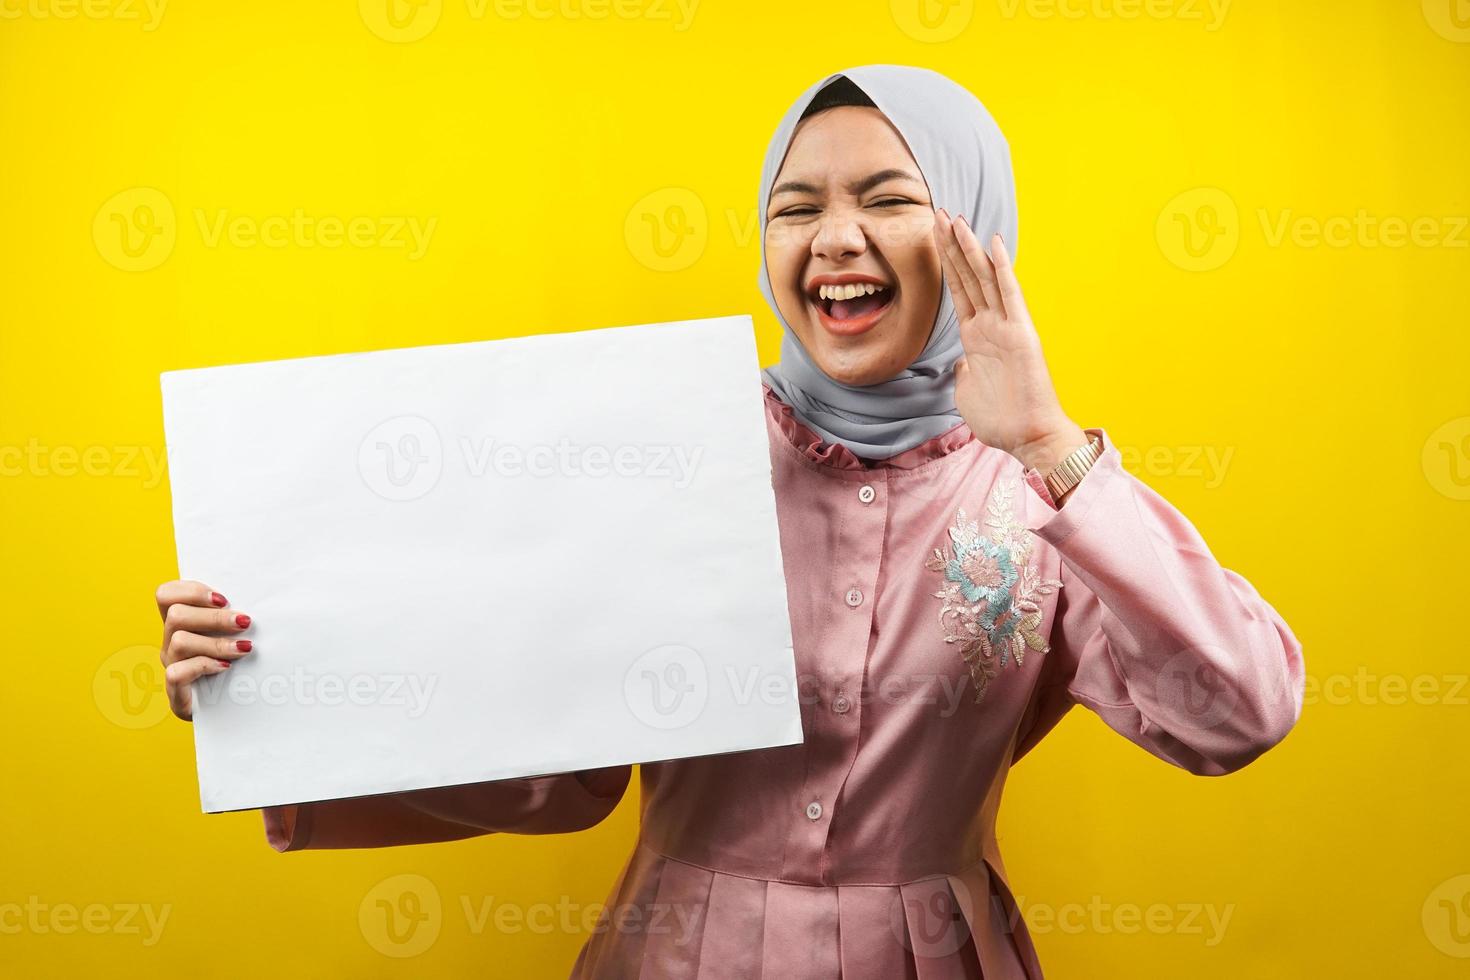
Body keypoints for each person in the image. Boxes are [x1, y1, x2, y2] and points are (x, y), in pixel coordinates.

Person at [153, 65, 1305, 978]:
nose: (835, 238)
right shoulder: (676, 450)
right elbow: (562, 768)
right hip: (673, 951)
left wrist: (1052, 446)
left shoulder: (1049, 494)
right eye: (795, 207)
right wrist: (273, 690)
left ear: (976, 227)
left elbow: (1237, 713)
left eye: (889, 198)